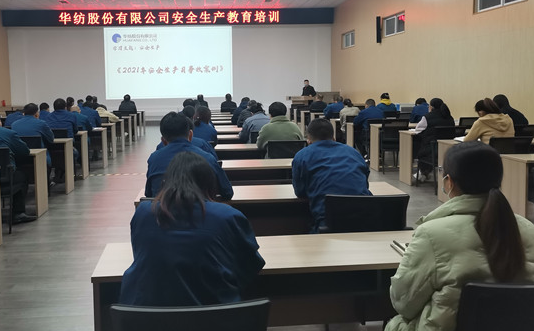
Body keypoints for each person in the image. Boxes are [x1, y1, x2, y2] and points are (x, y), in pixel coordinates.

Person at [368, 142, 534, 331]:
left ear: (449, 181)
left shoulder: (431, 234)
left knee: (395, 326)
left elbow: (403, 303)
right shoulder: (530, 230)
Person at [121, 151, 264, 306]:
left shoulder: (143, 213)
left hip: (147, 314)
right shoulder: (228, 216)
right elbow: (251, 265)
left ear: (166, 181)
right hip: (217, 315)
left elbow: (141, 255)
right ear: (209, 184)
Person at [292, 118, 370, 232]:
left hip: (328, 223)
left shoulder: (302, 156)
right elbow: (365, 183)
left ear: (308, 139)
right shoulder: (354, 152)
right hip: (366, 219)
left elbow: (300, 191)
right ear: (334, 137)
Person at [145, 112, 233, 199]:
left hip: (162, 207)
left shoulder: (154, 159)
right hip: (202, 207)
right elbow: (227, 192)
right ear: (190, 135)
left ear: (163, 141)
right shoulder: (207, 158)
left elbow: (149, 194)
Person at [413, 98, 455, 181]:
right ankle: (425, 172)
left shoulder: (427, 117)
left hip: (432, 150)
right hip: (448, 149)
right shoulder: (450, 117)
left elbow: (417, 130)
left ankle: (423, 172)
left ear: (431, 107)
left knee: (417, 144)